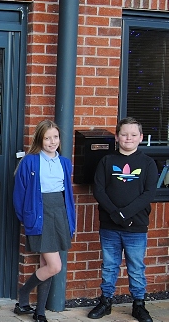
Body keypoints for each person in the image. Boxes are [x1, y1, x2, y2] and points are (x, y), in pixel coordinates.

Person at [87, 117, 157, 322]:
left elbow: (148, 193)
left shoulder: (148, 163)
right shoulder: (107, 161)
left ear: (141, 137)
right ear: (117, 137)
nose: (129, 138)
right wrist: (115, 214)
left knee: (136, 267)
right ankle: (105, 301)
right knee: (109, 265)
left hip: (136, 227)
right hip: (110, 226)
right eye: (124, 134)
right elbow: (99, 190)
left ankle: (139, 305)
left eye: (134, 135)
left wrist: (125, 214)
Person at [12, 120, 75, 322]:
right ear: (40, 139)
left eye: (55, 137)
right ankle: (23, 293)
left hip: (59, 214)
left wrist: (69, 219)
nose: (52, 141)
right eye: (47, 138)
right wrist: (27, 217)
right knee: (54, 266)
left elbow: (68, 194)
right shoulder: (30, 161)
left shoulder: (64, 162)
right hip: (40, 213)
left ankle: (39, 311)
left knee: (45, 263)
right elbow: (19, 193)